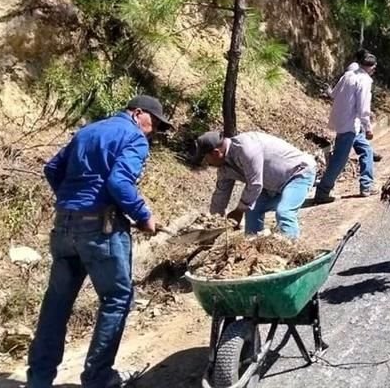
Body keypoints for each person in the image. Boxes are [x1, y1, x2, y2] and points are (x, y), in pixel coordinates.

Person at [27, 95, 172, 388]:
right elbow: (119, 183)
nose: (152, 131)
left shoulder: (87, 130)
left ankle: (39, 380)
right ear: (138, 113)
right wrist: (143, 216)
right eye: (153, 123)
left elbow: (52, 169)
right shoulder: (133, 137)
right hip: (100, 230)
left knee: (56, 303)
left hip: (64, 227)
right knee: (117, 298)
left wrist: (72, 202)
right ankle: (98, 378)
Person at [194, 131, 317, 239]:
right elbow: (220, 197)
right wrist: (214, 224)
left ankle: (291, 255)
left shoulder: (246, 148)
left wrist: (238, 211)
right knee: (253, 211)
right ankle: (252, 250)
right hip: (271, 184)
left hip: (297, 174)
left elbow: (255, 184)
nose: (206, 163)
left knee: (284, 212)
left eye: (205, 158)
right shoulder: (224, 168)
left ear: (216, 153)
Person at [314, 53, 377, 203]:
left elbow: (333, 94)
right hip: (350, 125)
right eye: (374, 67)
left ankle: (366, 186)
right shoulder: (365, 80)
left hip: (346, 123)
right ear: (371, 67)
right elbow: (363, 108)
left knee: (366, 150)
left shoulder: (348, 75)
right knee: (339, 161)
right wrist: (368, 128)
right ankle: (322, 193)